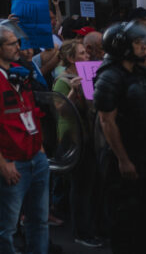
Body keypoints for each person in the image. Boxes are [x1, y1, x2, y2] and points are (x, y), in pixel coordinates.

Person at [0, 19, 48, 254]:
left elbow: (31, 113)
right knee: (7, 226)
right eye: (12, 43)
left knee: (39, 221)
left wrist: (41, 150)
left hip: (36, 158)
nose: (18, 47)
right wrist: (2, 164)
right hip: (12, 163)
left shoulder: (21, 72)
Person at [93, 20, 146, 254]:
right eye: (137, 43)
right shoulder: (110, 77)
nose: (144, 47)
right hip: (126, 156)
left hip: (145, 153)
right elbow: (107, 121)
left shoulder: (138, 72)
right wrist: (123, 159)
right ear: (123, 47)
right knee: (126, 219)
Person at [51, 38, 100, 247]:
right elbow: (60, 110)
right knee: (80, 187)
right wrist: (73, 90)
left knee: (89, 184)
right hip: (72, 138)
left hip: (87, 136)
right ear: (71, 58)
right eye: (81, 53)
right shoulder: (63, 80)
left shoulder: (89, 75)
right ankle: (81, 231)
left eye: (87, 53)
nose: (86, 56)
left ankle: (91, 226)